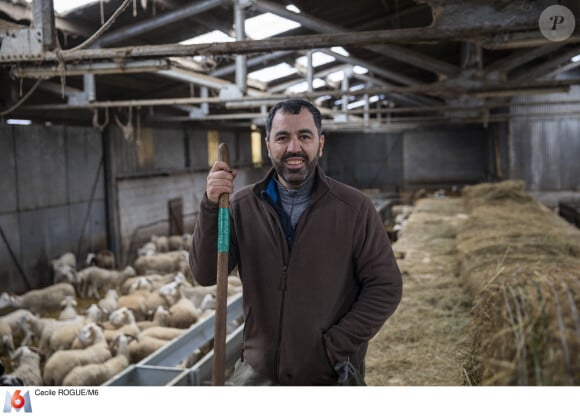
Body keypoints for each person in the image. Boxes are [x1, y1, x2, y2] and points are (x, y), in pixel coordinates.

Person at [189, 98, 402, 386]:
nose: (293, 148)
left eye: (304, 136)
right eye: (282, 137)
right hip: (257, 375)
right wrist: (211, 205)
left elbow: (386, 286)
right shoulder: (239, 206)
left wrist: (334, 347)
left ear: (320, 143)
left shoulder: (354, 209)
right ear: (267, 145)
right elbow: (203, 273)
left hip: (330, 377)